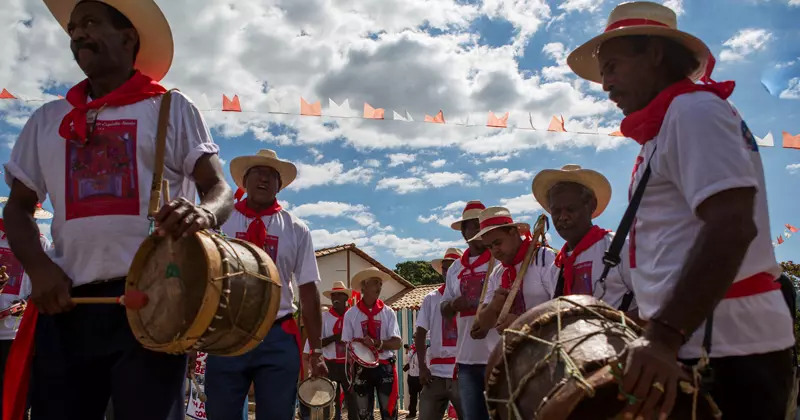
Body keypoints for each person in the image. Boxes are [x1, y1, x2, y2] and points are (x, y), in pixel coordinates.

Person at [2, 0, 234, 418]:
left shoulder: (170, 108)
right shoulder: (47, 119)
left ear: (128, 38)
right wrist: (39, 269)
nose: (77, 34)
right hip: (66, 302)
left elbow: (218, 188)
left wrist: (203, 214)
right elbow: (18, 210)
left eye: (90, 23)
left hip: (155, 301)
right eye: (73, 28)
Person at [566, 2, 796, 419]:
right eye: (604, 73)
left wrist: (663, 336)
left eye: (613, 66)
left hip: (723, 350)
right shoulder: (668, 125)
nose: (606, 84)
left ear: (654, 54)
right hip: (701, 343)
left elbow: (731, 226)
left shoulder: (694, 112)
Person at [206, 149, 327, 420]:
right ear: (243, 182)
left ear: (279, 185)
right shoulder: (220, 221)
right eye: (256, 173)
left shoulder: (296, 229)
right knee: (220, 413)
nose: (263, 179)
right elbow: (204, 277)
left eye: (271, 175)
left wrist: (317, 350)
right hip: (227, 331)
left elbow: (308, 290)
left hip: (278, 334)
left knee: (277, 414)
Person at [531, 164, 639, 319]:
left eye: (570, 209)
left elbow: (656, 305)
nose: (562, 217)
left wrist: (615, 323)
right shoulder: (556, 267)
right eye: (556, 211)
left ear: (591, 206)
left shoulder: (620, 248)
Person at [440, 200, 498, 420]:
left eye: (480, 224)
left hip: (497, 355)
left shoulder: (498, 260)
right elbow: (443, 309)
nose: (477, 230)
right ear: (464, 232)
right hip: (466, 358)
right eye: (471, 225)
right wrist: (454, 304)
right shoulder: (455, 268)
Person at [471, 207, 559, 336]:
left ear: (513, 232)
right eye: (489, 247)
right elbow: (481, 327)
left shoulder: (543, 258)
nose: (495, 251)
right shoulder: (497, 273)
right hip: (514, 352)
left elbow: (562, 305)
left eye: (497, 243)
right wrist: (494, 305)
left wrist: (523, 322)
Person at [0, 202, 52, 417]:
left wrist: (28, 302)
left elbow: (46, 283)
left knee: (14, 398)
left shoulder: (42, 244)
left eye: (35, 215)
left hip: (16, 334)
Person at [341, 267, 402, 420]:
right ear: (364, 286)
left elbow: (397, 343)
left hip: (384, 366)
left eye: (380, 283)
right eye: (375, 283)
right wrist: (350, 372)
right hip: (361, 369)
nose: (379, 287)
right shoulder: (351, 315)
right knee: (364, 415)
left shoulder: (388, 312)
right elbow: (347, 346)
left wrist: (377, 343)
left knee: (389, 413)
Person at [415, 249, 464, 419]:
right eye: (445, 268)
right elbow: (420, 333)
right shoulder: (431, 298)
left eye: (452, 267)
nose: (447, 272)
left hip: (462, 372)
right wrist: (422, 367)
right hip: (434, 374)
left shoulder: (471, 296)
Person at [319, 281, 359, 420]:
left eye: (339, 294)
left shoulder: (353, 316)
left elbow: (359, 339)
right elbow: (319, 342)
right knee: (330, 398)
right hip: (331, 364)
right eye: (333, 295)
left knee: (352, 398)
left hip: (349, 364)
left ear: (345, 298)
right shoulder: (324, 317)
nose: (335, 297)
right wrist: (335, 337)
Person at [403, 344, 421, 418]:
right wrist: (409, 351)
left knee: (422, 397)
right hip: (411, 376)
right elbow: (406, 360)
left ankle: (423, 414)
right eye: (414, 338)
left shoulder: (425, 349)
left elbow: (419, 362)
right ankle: (412, 413)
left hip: (420, 377)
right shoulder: (411, 350)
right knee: (412, 396)